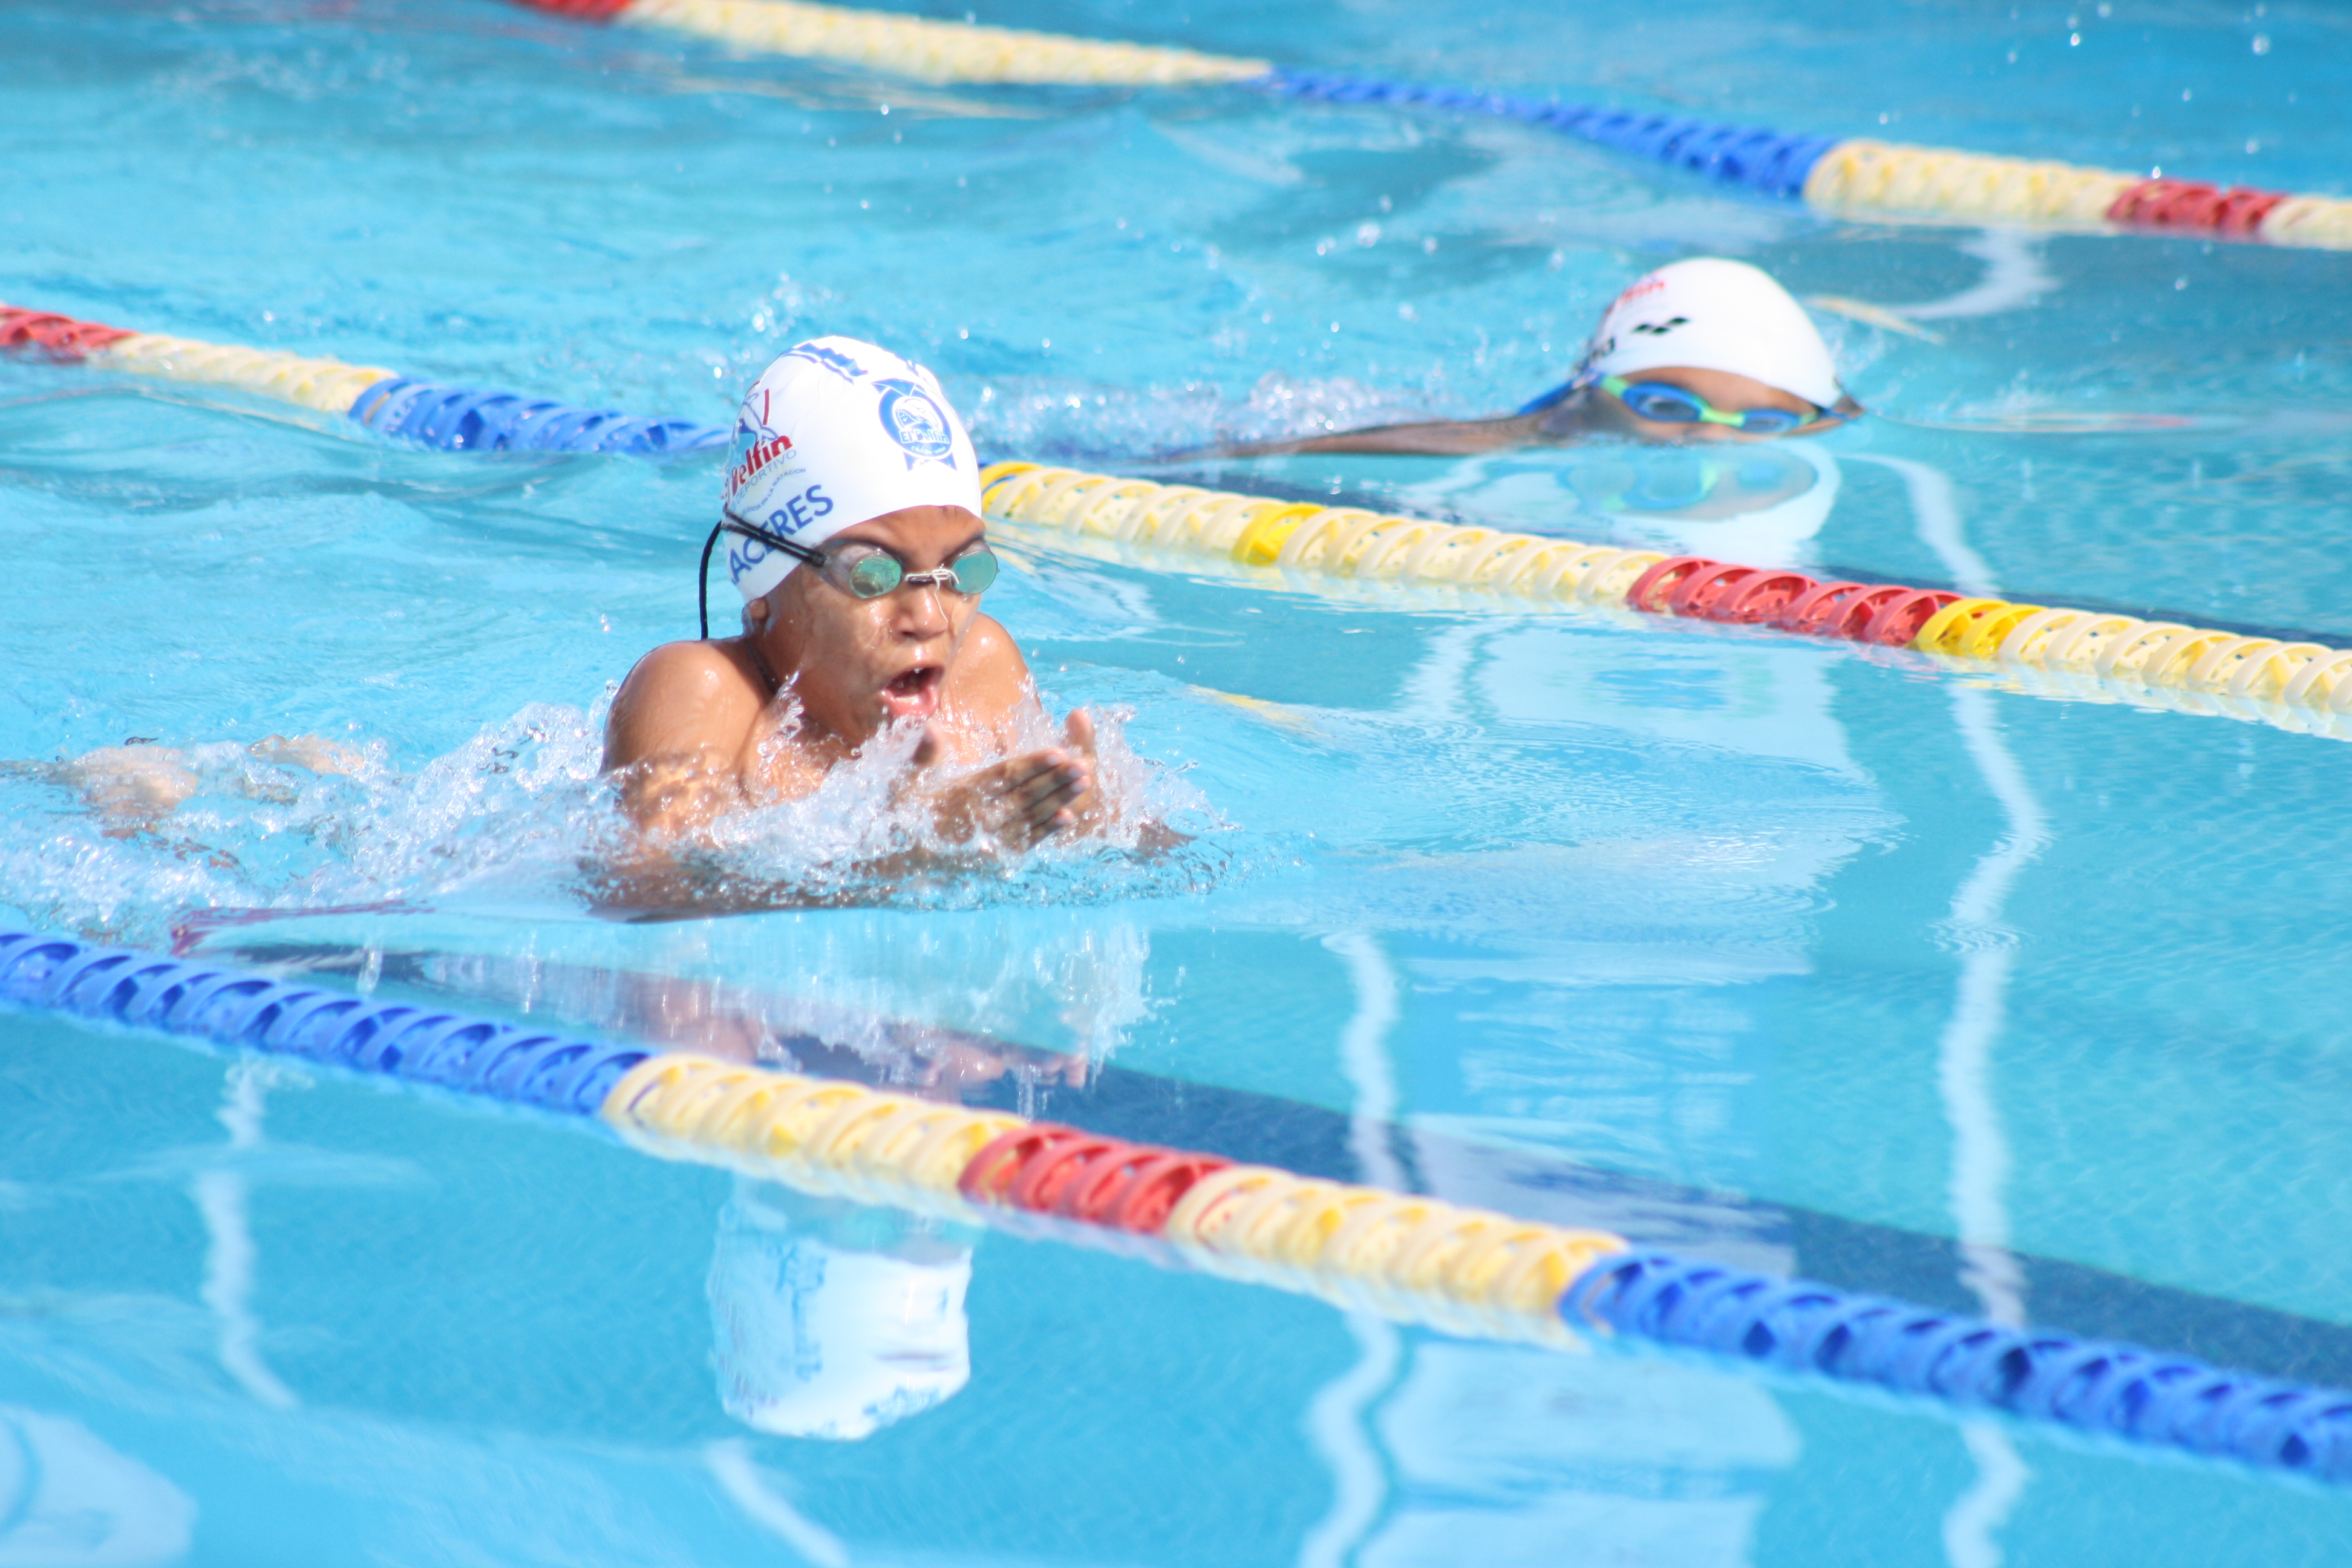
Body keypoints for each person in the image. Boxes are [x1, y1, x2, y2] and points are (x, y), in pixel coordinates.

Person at [603, 338, 1098, 846]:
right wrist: (914, 849)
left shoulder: (980, 673)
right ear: (764, 580)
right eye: (873, 574)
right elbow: (651, 884)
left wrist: (1091, 818)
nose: (931, 619)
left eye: (961, 572)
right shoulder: (705, 696)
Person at [1217, 257, 1861, 458]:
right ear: (1597, 393)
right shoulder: (1561, 425)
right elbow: (1419, 440)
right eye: (1666, 405)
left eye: (1761, 421)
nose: (1709, 437)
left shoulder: (1827, 422)